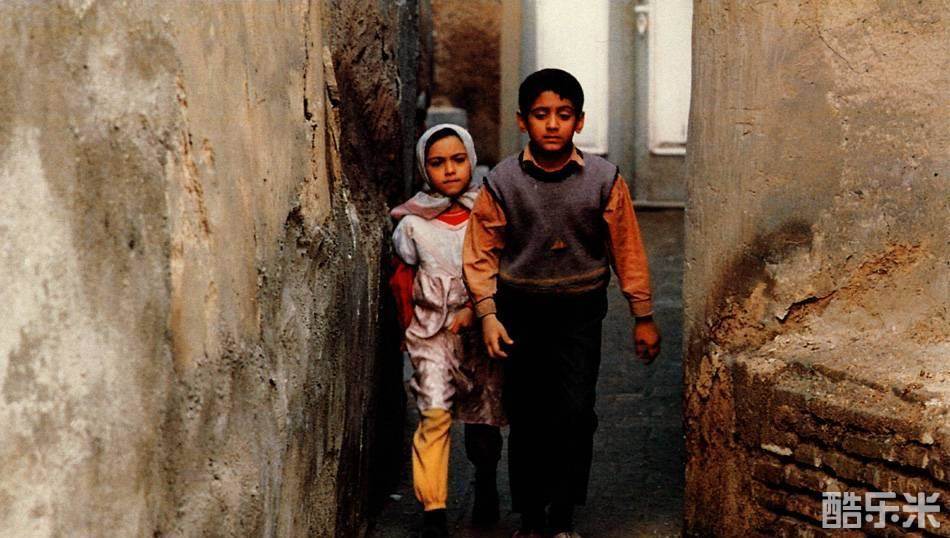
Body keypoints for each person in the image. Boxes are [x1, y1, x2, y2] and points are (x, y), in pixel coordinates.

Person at [463, 69, 662, 538]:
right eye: (541, 114)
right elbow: (480, 253)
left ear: (580, 120)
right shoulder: (502, 182)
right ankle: (532, 518)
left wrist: (643, 315)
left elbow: (627, 250)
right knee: (528, 414)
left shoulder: (603, 179)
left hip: (580, 312)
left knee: (574, 412)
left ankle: (563, 517)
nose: (552, 124)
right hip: (519, 311)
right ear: (522, 120)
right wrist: (488, 314)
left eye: (564, 114)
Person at [390, 123, 506, 537]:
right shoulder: (411, 223)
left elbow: (500, 268)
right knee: (434, 412)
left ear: (471, 160)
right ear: (425, 168)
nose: (450, 170)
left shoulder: (487, 214)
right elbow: (403, 275)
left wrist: (477, 309)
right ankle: (434, 510)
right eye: (438, 163)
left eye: (458, 159)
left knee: (484, 415)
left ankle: (486, 479)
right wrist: (408, 326)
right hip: (431, 333)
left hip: (482, 332)